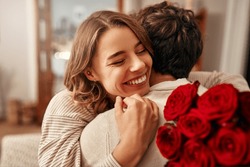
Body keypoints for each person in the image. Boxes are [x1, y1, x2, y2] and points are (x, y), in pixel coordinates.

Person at [38, 3, 249, 167]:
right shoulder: (69, 104)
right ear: (91, 72)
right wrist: (128, 151)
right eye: (119, 61)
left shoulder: (154, 79)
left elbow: (223, 78)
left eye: (141, 50)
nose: (139, 65)